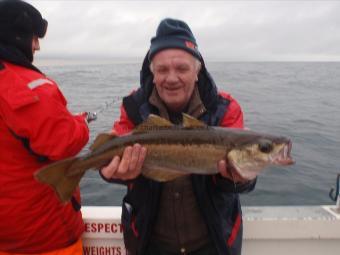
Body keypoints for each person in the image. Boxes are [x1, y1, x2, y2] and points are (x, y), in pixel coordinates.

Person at [100, 18, 256, 255]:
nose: (171, 78)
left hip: (213, 241)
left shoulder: (225, 108)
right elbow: (112, 158)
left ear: (197, 71)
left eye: (182, 68)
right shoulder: (133, 107)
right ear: (152, 73)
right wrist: (109, 171)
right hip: (149, 242)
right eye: (162, 69)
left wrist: (239, 177)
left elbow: (241, 182)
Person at [0, 0, 90, 253]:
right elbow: (63, 142)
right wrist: (81, 122)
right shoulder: (27, 85)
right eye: (34, 37)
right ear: (16, 36)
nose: (38, 46)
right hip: (40, 236)